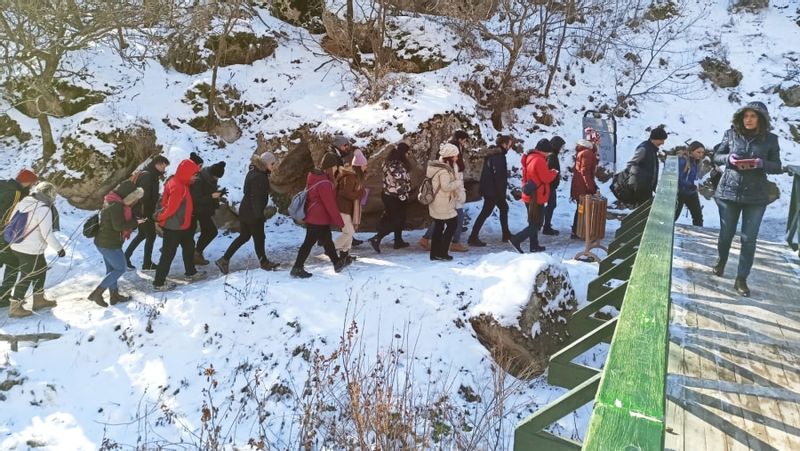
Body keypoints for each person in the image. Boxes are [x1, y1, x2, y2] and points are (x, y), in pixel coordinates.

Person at [711, 101, 782, 297]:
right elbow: (716, 156)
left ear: (761, 119)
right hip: (728, 193)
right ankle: (722, 260)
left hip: (756, 196)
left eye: (753, 116)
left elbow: (777, 166)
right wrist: (728, 159)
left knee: (749, 239)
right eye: (746, 116)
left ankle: (741, 278)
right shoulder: (731, 134)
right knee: (726, 234)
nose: (748, 120)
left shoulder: (771, 139)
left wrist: (761, 163)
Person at [216, 153, 280, 274]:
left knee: (244, 236)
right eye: (272, 163)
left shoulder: (253, 172)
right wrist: (259, 215)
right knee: (259, 237)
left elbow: (246, 191)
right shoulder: (260, 177)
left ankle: (224, 260)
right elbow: (255, 197)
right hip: (252, 213)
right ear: (265, 163)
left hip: (245, 210)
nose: (273, 166)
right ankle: (264, 262)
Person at [7, 182, 64, 318]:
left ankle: (39, 300)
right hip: (30, 249)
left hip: (17, 244)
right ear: (49, 194)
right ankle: (15, 307)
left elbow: (10, 221)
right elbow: (47, 234)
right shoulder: (44, 209)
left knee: (41, 269)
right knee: (28, 276)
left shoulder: (23, 202)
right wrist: (59, 249)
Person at [87, 181, 145, 307]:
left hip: (105, 241)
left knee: (111, 269)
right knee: (120, 268)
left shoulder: (111, 201)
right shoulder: (116, 206)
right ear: (127, 196)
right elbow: (119, 226)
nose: (133, 202)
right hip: (109, 244)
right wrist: (136, 222)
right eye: (133, 198)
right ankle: (97, 293)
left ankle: (114, 296)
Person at [153, 158, 202, 291]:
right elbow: (170, 208)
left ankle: (191, 273)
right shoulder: (178, 186)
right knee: (168, 254)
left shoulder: (180, 182)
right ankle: (159, 283)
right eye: (194, 175)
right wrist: (160, 218)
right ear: (186, 173)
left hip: (182, 226)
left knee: (189, 246)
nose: (195, 178)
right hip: (174, 227)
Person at [291, 169, 349, 278]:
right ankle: (297, 267)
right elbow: (330, 204)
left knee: (327, 240)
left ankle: (336, 263)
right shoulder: (324, 183)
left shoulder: (313, 178)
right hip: (318, 218)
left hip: (315, 216)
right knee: (308, 243)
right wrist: (339, 222)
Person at [419, 130, 470, 252]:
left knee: (441, 219)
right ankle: (454, 242)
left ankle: (426, 239)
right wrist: (459, 186)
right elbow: (450, 182)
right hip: (450, 195)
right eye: (464, 140)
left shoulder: (445, 157)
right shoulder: (451, 161)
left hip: (447, 195)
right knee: (457, 217)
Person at [509, 140, 558, 253]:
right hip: (536, 196)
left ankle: (534, 245)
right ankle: (516, 239)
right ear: (544, 151)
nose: (548, 155)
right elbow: (545, 178)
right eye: (548, 152)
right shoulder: (539, 160)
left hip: (529, 193)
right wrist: (554, 172)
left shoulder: (530, 157)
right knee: (537, 223)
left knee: (533, 221)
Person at [0, 169, 38, 308]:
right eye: (32, 183)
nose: (33, 186)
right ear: (27, 182)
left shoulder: (3, 185)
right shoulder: (15, 194)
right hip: (1, 235)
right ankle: (3, 296)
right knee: (13, 263)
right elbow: (7, 217)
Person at [125, 155, 170, 270]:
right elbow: (143, 196)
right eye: (163, 166)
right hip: (143, 212)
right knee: (150, 235)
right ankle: (147, 263)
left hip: (142, 211)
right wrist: (150, 211)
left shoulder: (150, 174)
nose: (164, 169)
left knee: (142, 234)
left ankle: (126, 257)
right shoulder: (149, 176)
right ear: (158, 164)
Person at [468, 135, 513, 247]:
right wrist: (500, 193)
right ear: (503, 144)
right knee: (486, 212)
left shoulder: (496, 154)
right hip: (493, 191)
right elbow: (499, 176)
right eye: (509, 144)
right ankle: (473, 237)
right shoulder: (498, 156)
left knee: (503, 208)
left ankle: (506, 234)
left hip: (491, 189)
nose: (510, 147)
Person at [368, 142, 413, 253]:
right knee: (397, 220)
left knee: (395, 218)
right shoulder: (398, 166)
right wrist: (403, 196)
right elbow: (400, 183)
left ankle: (398, 240)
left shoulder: (387, 163)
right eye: (408, 153)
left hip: (387, 194)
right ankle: (377, 238)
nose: (409, 155)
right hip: (396, 197)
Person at [427, 143, 464, 261]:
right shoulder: (444, 170)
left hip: (436, 202)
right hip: (443, 202)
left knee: (439, 226)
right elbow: (446, 187)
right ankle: (442, 252)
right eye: (455, 156)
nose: (457, 158)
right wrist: (458, 182)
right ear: (449, 157)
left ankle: (435, 253)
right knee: (452, 224)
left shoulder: (436, 166)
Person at [334, 149, 368, 263]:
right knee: (349, 232)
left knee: (350, 231)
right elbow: (345, 193)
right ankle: (330, 248)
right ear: (359, 166)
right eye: (364, 165)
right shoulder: (351, 177)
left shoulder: (356, 177)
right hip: (343, 208)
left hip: (349, 208)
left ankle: (344, 255)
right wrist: (360, 194)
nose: (366, 167)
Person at [191, 161, 226, 265]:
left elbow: (208, 191)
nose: (217, 179)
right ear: (212, 174)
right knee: (211, 231)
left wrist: (219, 193)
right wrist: (212, 196)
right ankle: (196, 253)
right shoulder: (199, 179)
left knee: (208, 231)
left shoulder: (209, 178)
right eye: (216, 177)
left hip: (205, 210)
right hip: (199, 211)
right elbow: (196, 199)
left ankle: (197, 253)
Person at [627, 127, 668, 204]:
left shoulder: (652, 149)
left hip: (646, 187)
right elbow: (631, 164)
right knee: (642, 212)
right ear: (655, 138)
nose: (663, 143)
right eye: (661, 140)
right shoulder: (644, 149)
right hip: (640, 187)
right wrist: (636, 181)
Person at [570, 139, 599, 239]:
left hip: (578, 186)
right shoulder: (588, 153)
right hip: (583, 187)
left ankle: (576, 230)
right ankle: (580, 231)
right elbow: (585, 172)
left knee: (580, 209)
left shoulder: (582, 152)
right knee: (582, 209)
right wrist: (591, 187)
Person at [675, 141, 706, 227]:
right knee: (674, 216)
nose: (701, 155)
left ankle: (699, 234)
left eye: (702, 152)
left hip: (691, 193)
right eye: (698, 152)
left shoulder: (696, 162)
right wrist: (690, 185)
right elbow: (678, 177)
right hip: (680, 192)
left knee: (698, 216)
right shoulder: (683, 160)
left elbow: (693, 177)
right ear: (691, 151)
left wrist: (695, 185)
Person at [542, 136, 566, 235]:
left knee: (551, 205)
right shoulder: (552, 156)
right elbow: (551, 170)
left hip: (550, 185)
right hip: (550, 185)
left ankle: (545, 224)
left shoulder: (551, 155)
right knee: (552, 205)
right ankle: (546, 225)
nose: (561, 149)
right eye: (560, 146)